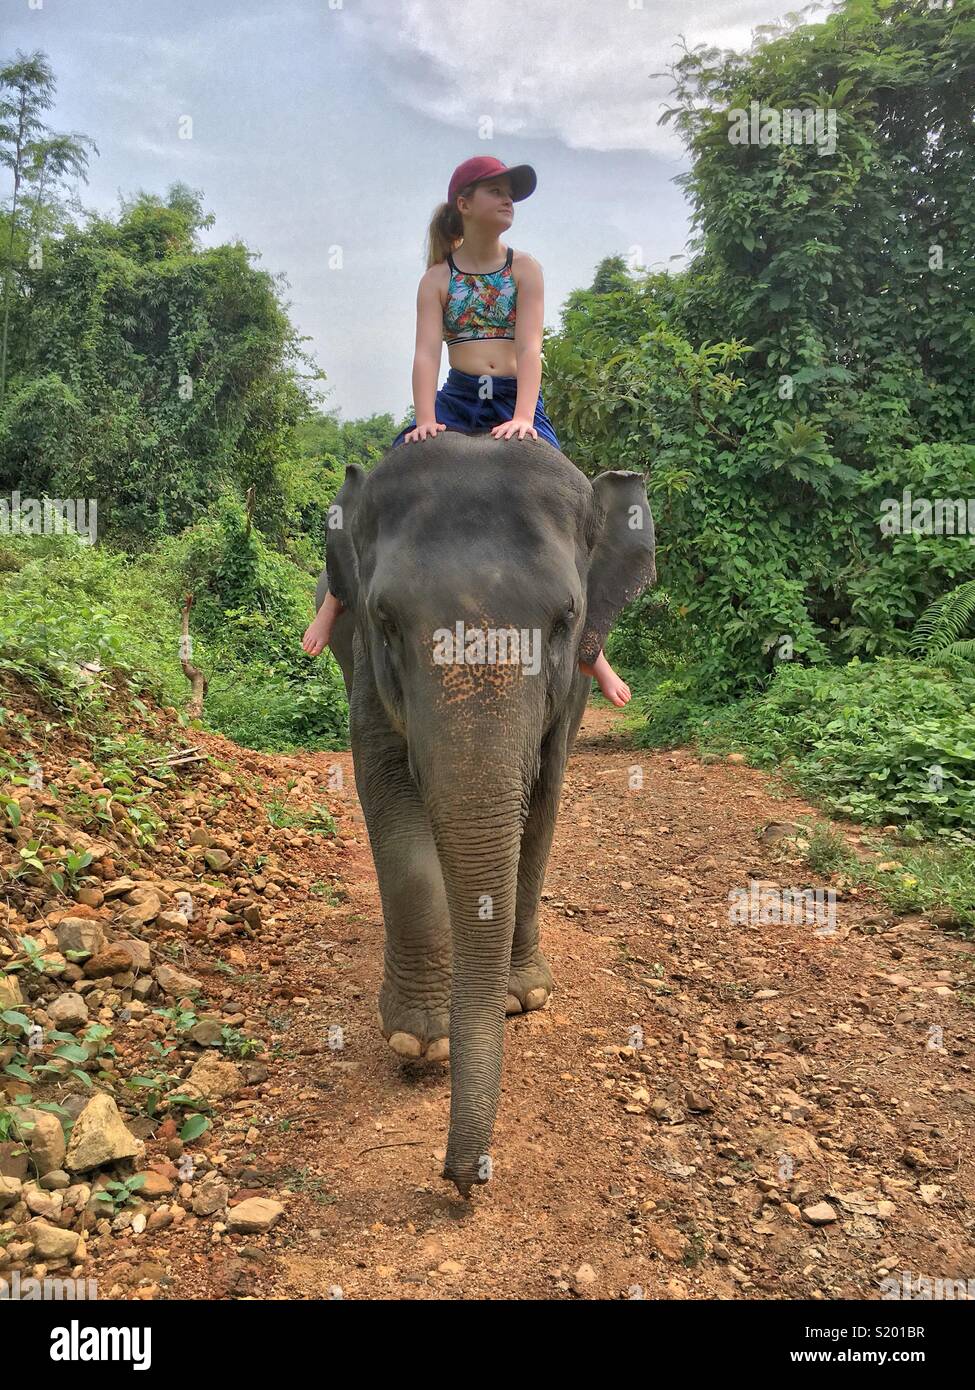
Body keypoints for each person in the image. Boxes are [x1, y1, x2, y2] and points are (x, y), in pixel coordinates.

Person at [302, 156, 631, 706]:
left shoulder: (525, 269)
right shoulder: (437, 279)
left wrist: (526, 416)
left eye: (511, 194)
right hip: (457, 396)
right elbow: (427, 353)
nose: (508, 201)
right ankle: (337, 599)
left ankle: (591, 651)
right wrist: (426, 417)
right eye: (496, 192)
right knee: (383, 484)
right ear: (464, 203)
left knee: (569, 500)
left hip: (511, 397)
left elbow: (530, 348)